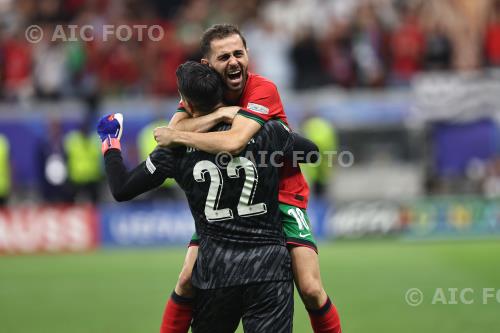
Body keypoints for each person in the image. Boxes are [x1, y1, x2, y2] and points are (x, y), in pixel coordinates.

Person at [98, 61, 318, 332]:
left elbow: (122, 188)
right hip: (268, 268)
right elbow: (310, 152)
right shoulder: (266, 132)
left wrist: (110, 143)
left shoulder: (174, 149)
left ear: (188, 105)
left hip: (216, 270)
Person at [154, 24, 342, 333]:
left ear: (248, 55)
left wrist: (188, 129)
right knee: (187, 279)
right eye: (224, 56)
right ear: (207, 65)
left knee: (309, 287)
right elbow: (172, 132)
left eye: (238, 54)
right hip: (232, 202)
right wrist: (216, 116)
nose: (233, 62)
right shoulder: (203, 92)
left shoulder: (261, 88)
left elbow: (229, 141)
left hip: (282, 194)